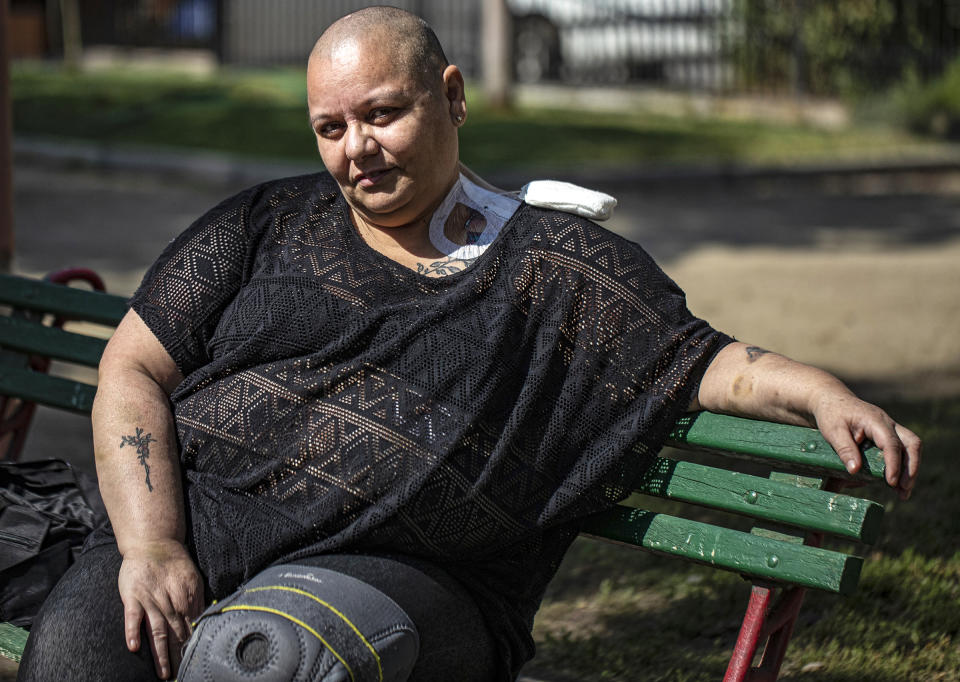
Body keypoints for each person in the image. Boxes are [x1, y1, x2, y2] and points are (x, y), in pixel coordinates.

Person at [18, 6, 921, 682]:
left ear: (451, 96)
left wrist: (823, 393)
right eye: (331, 129)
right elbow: (133, 364)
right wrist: (153, 548)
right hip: (191, 534)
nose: (356, 150)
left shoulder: (559, 268)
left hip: (405, 580)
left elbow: (704, 363)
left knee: (265, 657)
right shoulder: (260, 224)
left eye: (381, 115)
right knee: (76, 655)